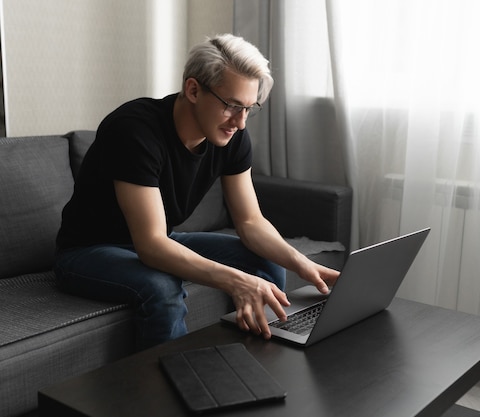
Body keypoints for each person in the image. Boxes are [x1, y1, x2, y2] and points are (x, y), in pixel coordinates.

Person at [55, 34, 339, 350]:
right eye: (232, 106)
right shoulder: (134, 131)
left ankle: (253, 362)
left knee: (267, 263)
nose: (241, 123)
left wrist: (301, 263)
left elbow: (250, 222)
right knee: (161, 286)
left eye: (249, 108)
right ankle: (172, 387)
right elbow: (151, 246)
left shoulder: (231, 136)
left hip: (160, 238)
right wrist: (237, 280)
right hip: (87, 251)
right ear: (193, 90)